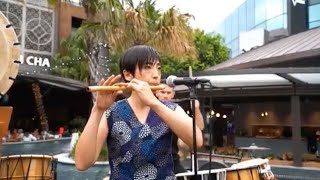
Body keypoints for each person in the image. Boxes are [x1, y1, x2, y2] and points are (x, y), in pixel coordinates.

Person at [75, 45, 203, 179]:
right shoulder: (111, 112)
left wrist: (154, 103)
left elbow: (197, 141)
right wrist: (98, 110)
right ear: (128, 75)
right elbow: (82, 163)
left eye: (158, 68)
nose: (156, 75)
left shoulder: (171, 109)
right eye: (148, 67)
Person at [155, 84, 204, 175]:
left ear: (173, 94)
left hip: (172, 160)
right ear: (157, 93)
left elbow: (198, 128)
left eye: (168, 93)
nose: (165, 95)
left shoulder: (176, 109)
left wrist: (196, 109)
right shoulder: (149, 107)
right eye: (162, 92)